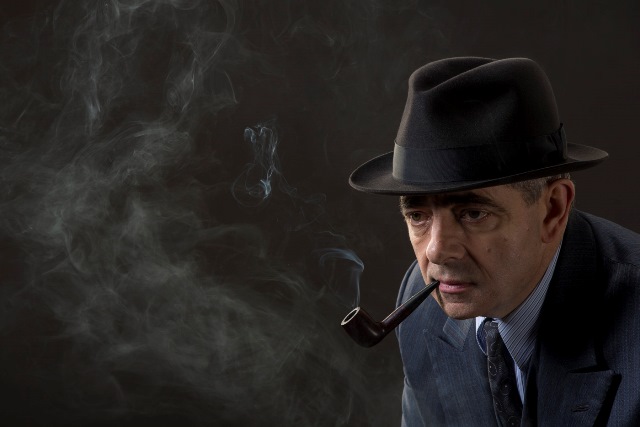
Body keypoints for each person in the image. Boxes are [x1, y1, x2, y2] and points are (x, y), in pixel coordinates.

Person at [348, 57, 640, 426]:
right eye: (418, 216)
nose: (436, 251)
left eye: (473, 213)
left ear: (553, 209)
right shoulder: (421, 310)